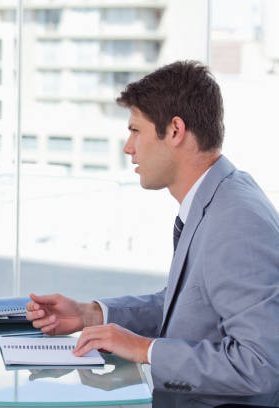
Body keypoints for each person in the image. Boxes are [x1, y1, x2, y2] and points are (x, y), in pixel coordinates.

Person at [26, 61, 279, 407]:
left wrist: (145, 350)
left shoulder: (236, 219)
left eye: (136, 131)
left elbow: (261, 366)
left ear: (174, 131)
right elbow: (189, 306)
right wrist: (91, 314)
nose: (129, 147)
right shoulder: (218, 197)